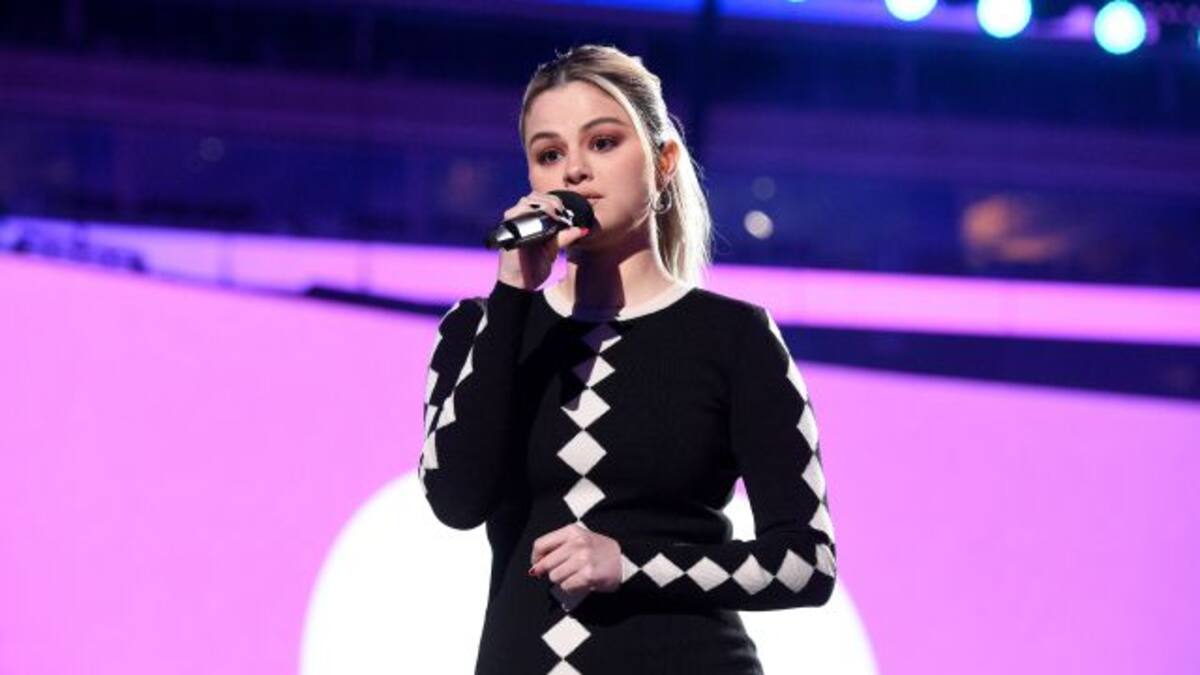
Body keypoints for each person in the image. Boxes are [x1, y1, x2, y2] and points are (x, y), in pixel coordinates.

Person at [417, 44, 837, 675]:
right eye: (549, 154)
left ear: (664, 162)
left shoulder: (735, 337)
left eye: (603, 143)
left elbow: (807, 563)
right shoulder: (480, 327)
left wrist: (631, 565)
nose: (574, 170)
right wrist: (512, 296)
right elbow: (455, 499)